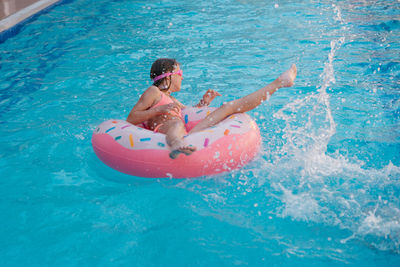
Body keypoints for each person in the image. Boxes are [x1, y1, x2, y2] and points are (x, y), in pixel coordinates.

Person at [127, 58, 297, 159]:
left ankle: (279, 83)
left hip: (186, 133)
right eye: (179, 73)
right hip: (167, 130)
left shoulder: (172, 100)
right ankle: (176, 145)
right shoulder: (153, 91)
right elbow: (132, 118)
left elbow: (189, 113)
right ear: (168, 76)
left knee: (229, 107)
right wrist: (159, 110)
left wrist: (204, 103)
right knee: (175, 125)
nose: (182, 77)